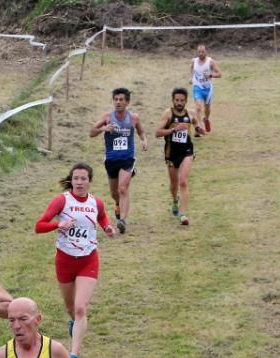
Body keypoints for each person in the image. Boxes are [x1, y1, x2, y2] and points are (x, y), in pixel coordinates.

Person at [34, 163, 116, 358]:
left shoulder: (96, 203)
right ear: (71, 180)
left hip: (88, 259)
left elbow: (102, 216)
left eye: (83, 179)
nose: (79, 182)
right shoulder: (62, 201)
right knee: (71, 307)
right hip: (65, 259)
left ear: (90, 181)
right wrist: (58, 224)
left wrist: (107, 227)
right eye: (76, 178)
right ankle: (75, 322)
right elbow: (39, 226)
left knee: (80, 308)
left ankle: (73, 355)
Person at [88, 87, 148, 234]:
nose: (118, 102)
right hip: (111, 159)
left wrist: (144, 140)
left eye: (121, 99)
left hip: (128, 159)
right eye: (116, 99)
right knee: (114, 192)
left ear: (127, 102)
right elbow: (91, 133)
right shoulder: (107, 117)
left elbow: (140, 130)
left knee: (122, 188)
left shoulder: (133, 118)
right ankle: (117, 204)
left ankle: (122, 220)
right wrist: (104, 129)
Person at [154, 87, 204, 226]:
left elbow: (197, 124)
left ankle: (183, 214)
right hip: (171, 153)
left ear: (186, 101)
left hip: (187, 151)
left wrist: (199, 128)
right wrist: (174, 129)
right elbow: (157, 132)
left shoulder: (191, 113)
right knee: (174, 184)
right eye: (177, 100)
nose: (179, 103)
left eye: (182, 100)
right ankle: (175, 200)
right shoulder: (168, 114)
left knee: (183, 181)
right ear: (173, 100)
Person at [189, 44, 221, 134]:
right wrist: (191, 77)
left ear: (206, 52)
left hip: (208, 89)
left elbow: (219, 74)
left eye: (202, 51)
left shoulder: (210, 62)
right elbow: (191, 68)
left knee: (207, 109)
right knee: (198, 107)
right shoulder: (194, 61)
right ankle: (200, 127)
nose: (201, 53)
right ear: (197, 52)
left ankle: (206, 119)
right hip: (197, 87)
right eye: (199, 52)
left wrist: (210, 75)